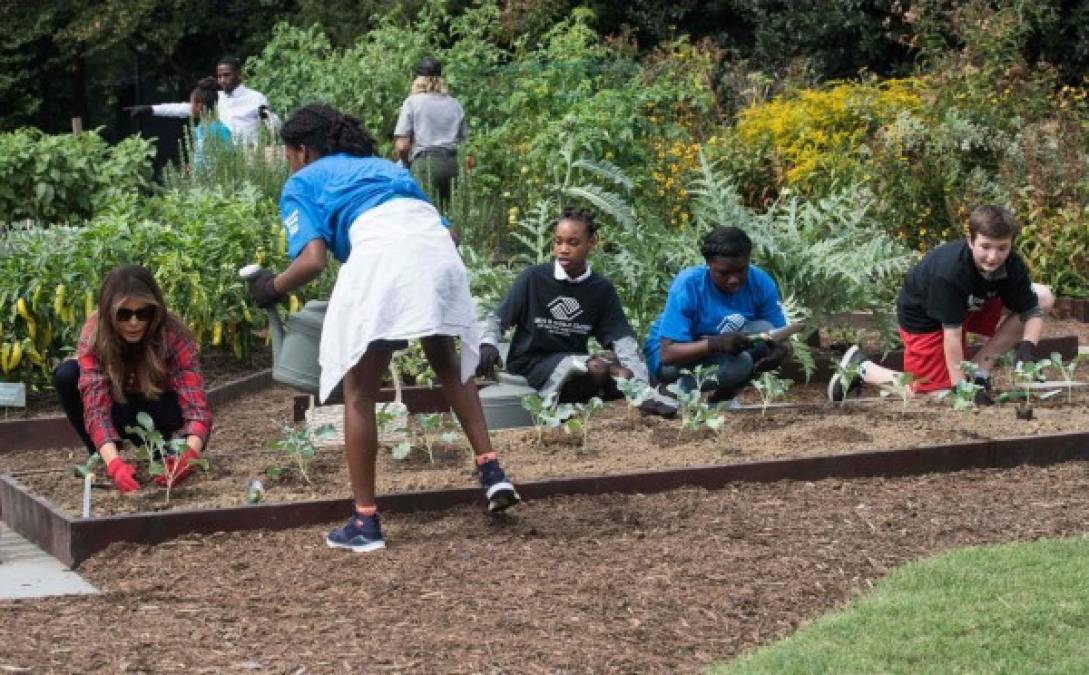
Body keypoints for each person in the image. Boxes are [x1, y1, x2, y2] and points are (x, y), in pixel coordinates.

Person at [247, 104, 519, 553]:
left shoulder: (301, 182)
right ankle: (491, 471)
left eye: (289, 153)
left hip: (379, 257)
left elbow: (312, 260)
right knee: (446, 360)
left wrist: (270, 288)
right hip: (435, 251)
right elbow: (447, 235)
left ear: (302, 150)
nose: (288, 163)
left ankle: (365, 522)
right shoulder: (386, 168)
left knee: (360, 392)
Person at [828, 204, 1054, 403]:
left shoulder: (1011, 264)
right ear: (970, 241)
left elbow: (1031, 309)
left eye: (1002, 248)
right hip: (927, 317)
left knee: (1043, 296)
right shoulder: (949, 273)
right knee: (931, 393)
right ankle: (862, 368)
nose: (993, 256)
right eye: (985, 247)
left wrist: (1027, 348)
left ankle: (979, 370)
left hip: (969, 304)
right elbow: (952, 336)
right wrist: (960, 390)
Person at [476, 207, 677, 416]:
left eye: (573, 243)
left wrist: (641, 385)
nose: (563, 249)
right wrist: (488, 343)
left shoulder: (600, 289)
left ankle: (650, 399)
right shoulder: (533, 278)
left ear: (592, 243)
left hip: (576, 363)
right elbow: (498, 318)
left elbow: (622, 340)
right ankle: (554, 404)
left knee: (624, 373)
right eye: (558, 241)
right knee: (599, 369)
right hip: (531, 364)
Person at [53, 264, 212, 493]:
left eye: (143, 313)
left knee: (174, 409)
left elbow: (197, 408)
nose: (134, 322)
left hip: (158, 406)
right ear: (109, 314)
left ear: (155, 311)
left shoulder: (173, 334)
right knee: (67, 375)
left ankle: (159, 449)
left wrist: (188, 456)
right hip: (118, 406)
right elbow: (95, 407)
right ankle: (101, 455)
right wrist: (114, 464)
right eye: (124, 314)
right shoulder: (95, 334)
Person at [643, 226, 792, 403]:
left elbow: (781, 335)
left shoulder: (760, 282)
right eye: (724, 273)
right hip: (671, 360)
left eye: (741, 270)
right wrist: (715, 343)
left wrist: (781, 351)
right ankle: (670, 390)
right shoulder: (688, 284)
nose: (734, 279)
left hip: (717, 353)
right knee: (741, 364)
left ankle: (720, 401)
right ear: (708, 265)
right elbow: (668, 353)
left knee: (766, 331)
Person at [126, 56, 280, 144]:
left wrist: (267, 116)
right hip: (220, 157)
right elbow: (185, 108)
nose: (222, 80)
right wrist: (151, 109)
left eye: (227, 75)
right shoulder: (215, 97)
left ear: (238, 74)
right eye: (219, 76)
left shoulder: (255, 98)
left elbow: (275, 125)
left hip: (249, 157)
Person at [393, 56, 467, 210]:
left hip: (426, 164)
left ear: (417, 79)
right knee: (448, 217)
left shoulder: (412, 102)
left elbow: (402, 146)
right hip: (453, 166)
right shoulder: (455, 104)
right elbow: (463, 141)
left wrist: (407, 164)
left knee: (423, 216)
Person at [187, 76, 232, 167]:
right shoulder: (200, 127)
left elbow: (229, 159)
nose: (189, 107)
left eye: (191, 103)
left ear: (200, 105)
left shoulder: (220, 129)